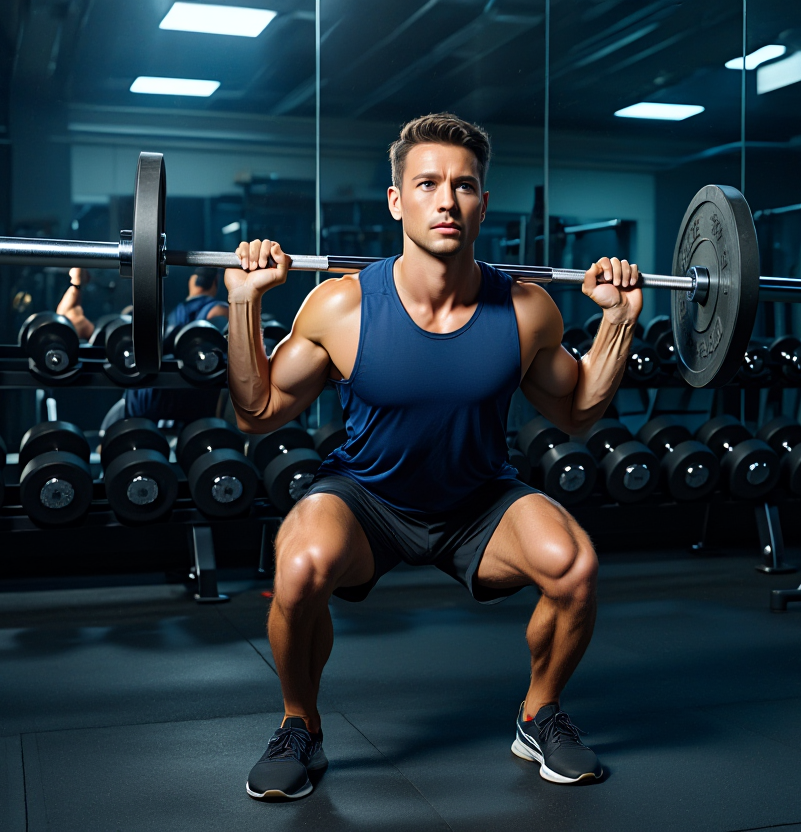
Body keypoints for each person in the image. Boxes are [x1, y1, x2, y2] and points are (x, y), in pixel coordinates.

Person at [225, 113, 641, 801]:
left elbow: (577, 410)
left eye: (464, 185)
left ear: (482, 201)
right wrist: (243, 306)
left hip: (478, 500)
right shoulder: (341, 306)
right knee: (298, 569)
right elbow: (256, 411)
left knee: (576, 567)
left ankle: (539, 713)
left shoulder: (529, 310)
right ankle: (300, 723)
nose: (446, 200)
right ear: (398, 201)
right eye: (427, 184)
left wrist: (620, 319)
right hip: (367, 499)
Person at [95, 267, 230, 430]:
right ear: (216, 281)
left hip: (152, 394)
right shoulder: (218, 310)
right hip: (190, 395)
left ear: (191, 282)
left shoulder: (175, 314)